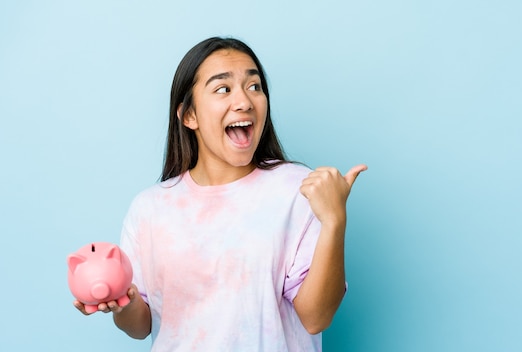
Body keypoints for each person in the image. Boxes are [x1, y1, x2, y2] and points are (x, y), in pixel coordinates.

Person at [73, 36, 367, 351]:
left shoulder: (299, 190)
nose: (244, 101)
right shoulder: (150, 208)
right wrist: (121, 303)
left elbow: (317, 317)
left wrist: (335, 219)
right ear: (189, 116)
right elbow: (141, 326)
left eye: (254, 87)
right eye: (223, 89)